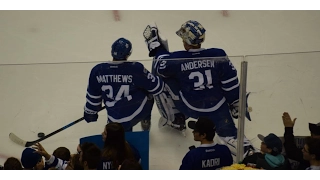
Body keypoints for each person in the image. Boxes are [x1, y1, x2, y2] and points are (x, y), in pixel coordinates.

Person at [142, 20, 254, 156]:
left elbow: (160, 65)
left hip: (190, 107)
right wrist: (236, 102)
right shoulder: (218, 54)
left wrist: (156, 45)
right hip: (217, 107)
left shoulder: (177, 59)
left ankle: (176, 118)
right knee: (230, 133)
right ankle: (249, 152)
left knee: (161, 78)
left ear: (185, 40)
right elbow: (231, 82)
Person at [83, 37, 164, 131]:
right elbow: (156, 87)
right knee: (149, 94)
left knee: (120, 133)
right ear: (128, 54)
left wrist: (91, 112)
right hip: (133, 113)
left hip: (113, 117)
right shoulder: (135, 68)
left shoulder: (98, 70)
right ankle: (145, 119)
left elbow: (93, 96)